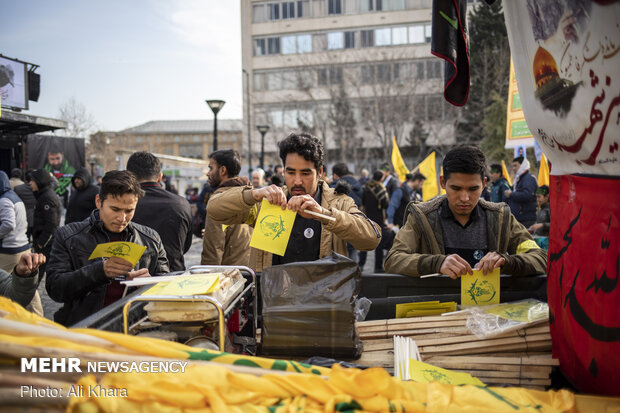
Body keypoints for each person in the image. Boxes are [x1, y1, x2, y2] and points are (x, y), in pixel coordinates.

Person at [207, 132, 381, 272]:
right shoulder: (267, 203)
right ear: (283, 172)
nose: (297, 181)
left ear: (319, 172)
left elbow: (371, 239)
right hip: (273, 305)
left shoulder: (339, 202)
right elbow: (214, 210)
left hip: (323, 305)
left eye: (305, 174)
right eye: (290, 173)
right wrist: (252, 194)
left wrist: (324, 215)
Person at [385, 146, 547, 278]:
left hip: (488, 313)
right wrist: (436, 263)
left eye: (473, 189)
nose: (464, 198)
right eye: (456, 188)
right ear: (443, 182)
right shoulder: (421, 217)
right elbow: (394, 259)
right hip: (437, 310)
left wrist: (507, 261)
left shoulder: (501, 218)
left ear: (484, 184)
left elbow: (540, 258)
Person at [46, 170, 169, 326]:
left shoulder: (150, 238)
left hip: (135, 329)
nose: (122, 218)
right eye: (115, 209)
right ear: (99, 202)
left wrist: (150, 285)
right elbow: (55, 289)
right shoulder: (68, 236)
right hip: (85, 330)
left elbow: (167, 289)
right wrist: (100, 271)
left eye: (129, 211)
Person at [126, 151, 192, 272]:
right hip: (173, 275)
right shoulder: (181, 203)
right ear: (160, 177)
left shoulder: (124, 205)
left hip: (134, 276)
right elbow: (185, 245)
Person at [201, 150, 253, 266]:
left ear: (223, 170)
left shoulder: (218, 201)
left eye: (211, 168)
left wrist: (206, 277)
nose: (208, 173)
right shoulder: (250, 195)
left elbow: (213, 250)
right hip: (251, 272)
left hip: (230, 275)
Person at [29, 169, 61, 280]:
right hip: (42, 242)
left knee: (37, 274)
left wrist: (41, 243)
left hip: (46, 244)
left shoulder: (47, 197)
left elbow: (52, 223)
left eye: (32, 180)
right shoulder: (43, 195)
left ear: (39, 181)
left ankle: (29, 295)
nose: (30, 183)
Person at [360, 171, 391, 273]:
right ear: (381, 179)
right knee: (379, 244)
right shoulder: (381, 189)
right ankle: (378, 267)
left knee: (364, 242)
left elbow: (362, 202)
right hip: (378, 219)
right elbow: (385, 205)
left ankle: (360, 264)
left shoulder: (366, 187)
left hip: (367, 218)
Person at [0, 171, 31, 272]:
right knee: (22, 284)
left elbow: (8, 224)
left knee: (3, 283)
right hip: (22, 247)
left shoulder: (4, 200)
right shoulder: (13, 196)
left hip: (10, 251)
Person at [504, 156, 538, 227]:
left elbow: (527, 195)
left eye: (515, 166)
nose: (513, 168)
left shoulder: (528, 179)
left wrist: (511, 194)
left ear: (523, 165)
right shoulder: (518, 179)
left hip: (526, 219)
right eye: (512, 166)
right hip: (519, 218)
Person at [9, 169, 35, 240]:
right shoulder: (37, 189)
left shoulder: (18, 188)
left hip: (22, 217)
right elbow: (55, 184)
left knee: (25, 240)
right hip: (36, 218)